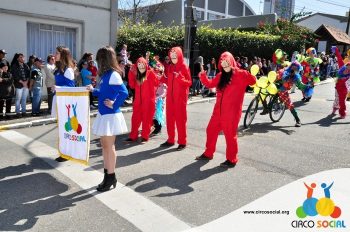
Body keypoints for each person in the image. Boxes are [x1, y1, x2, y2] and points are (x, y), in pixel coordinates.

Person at [195, 52, 256, 168]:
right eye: (222, 63)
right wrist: (202, 74)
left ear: (231, 62)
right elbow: (209, 84)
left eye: (227, 62)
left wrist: (249, 73)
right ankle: (208, 153)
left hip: (231, 113)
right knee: (210, 130)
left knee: (230, 136)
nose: (225, 65)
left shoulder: (241, 74)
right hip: (218, 112)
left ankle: (232, 159)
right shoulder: (220, 76)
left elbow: (253, 82)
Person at [87, 46, 128, 192]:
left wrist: (114, 104)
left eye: (99, 59)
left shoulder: (113, 74)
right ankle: (108, 176)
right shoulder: (105, 76)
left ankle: (110, 176)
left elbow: (124, 92)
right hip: (104, 115)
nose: (97, 62)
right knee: (105, 147)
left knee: (109, 147)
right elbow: (105, 93)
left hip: (110, 115)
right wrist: (93, 90)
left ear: (104, 59)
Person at [160, 46, 192, 151]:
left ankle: (182, 142)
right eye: (171, 56)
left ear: (179, 55)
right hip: (170, 97)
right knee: (169, 119)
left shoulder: (184, 67)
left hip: (180, 98)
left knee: (180, 120)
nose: (173, 58)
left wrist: (180, 78)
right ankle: (170, 139)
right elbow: (166, 80)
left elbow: (189, 82)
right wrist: (160, 75)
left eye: (175, 56)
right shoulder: (170, 67)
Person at [125, 57, 159, 142]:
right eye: (139, 65)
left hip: (148, 100)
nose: (141, 67)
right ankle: (133, 136)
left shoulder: (150, 73)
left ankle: (145, 136)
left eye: (142, 64)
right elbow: (132, 85)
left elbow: (157, 82)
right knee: (135, 118)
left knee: (146, 118)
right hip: (138, 100)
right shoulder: (136, 75)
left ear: (145, 65)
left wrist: (153, 71)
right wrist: (131, 73)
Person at [53, 46, 76, 162]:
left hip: (65, 102)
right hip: (59, 99)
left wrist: (58, 88)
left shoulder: (68, 70)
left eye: (57, 53)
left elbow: (71, 88)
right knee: (62, 128)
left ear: (63, 55)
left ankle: (67, 153)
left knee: (66, 129)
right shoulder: (58, 69)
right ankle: (64, 152)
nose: (54, 55)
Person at [275, 61, 310, 127]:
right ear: (291, 67)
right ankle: (274, 106)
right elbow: (280, 77)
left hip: (283, 91)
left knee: (290, 105)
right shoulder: (285, 71)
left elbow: (300, 85)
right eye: (293, 67)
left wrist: (307, 86)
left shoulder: (296, 76)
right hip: (276, 87)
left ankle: (297, 120)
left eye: (296, 68)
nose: (294, 69)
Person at [11, 53, 30, 117]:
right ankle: (17, 112)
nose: (22, 58)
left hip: (26, 85)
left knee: (24, 99)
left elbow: (28, 74)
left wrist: (26, 82)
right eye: (21, 57)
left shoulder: (26, 65)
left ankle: (24, 111)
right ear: (18, 58)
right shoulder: (14, 66)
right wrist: (23, 82)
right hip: (19, 85)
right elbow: (15, 76)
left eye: (23, 57)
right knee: (18, 99)